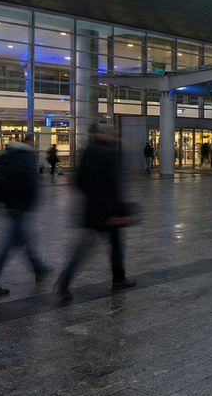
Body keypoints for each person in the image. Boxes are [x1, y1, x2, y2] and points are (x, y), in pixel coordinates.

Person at [55, 126, 134, 300]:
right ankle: (119, 279)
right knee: (114, 244)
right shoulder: (109, 153)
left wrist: (91, 198)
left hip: (92, 208)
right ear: (104, 135)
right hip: (108, 210)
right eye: (110, 133)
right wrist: (116, 210)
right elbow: (114, 185)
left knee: (87, 246)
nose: (112, 135)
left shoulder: (87, 152)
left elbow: (77, 181)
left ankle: (65, 280)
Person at [0, 136, 50, 297]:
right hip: (19, 205)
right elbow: (30, 183)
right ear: (30, 145)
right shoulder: (27, 158)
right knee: (8, 245)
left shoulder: (7, 155)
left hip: (7, 204)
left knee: (24, 238)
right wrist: (32, 202)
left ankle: (38, 268)